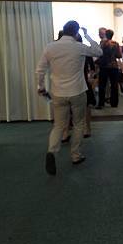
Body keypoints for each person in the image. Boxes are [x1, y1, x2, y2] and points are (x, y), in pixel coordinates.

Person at [35, 20, 102, 175]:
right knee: (78, 124)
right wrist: (87, 35)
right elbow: (98, 52)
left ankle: (51, 151)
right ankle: (76, 155)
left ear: (63, 31)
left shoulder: (50, 47)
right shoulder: (78, 47)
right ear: (76, 32)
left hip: (58, 92)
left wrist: (41, 87)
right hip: (77, 91)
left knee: (58, 125)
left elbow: (40, 70)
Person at [96, 29, 122, 109]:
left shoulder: (102, 43)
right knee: (114, 85)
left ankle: (101, 103)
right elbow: (119, 55)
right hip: (114, 66)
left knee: (102, 85)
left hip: (104, 66)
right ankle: (114, 103)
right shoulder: (116, 44)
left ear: (106, 35)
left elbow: (99, 53)